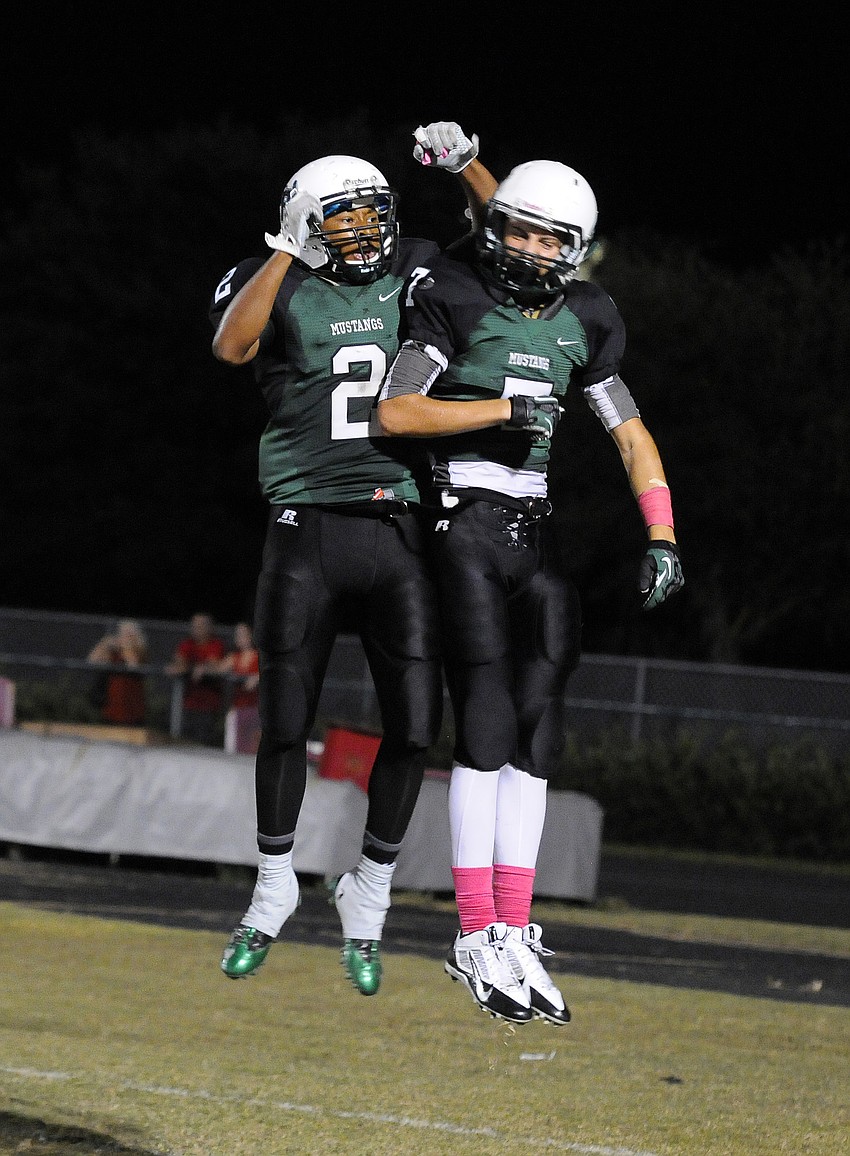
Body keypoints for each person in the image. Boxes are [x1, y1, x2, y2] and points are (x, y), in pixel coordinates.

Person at [377, 158, 685, 1024]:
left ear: (577, 250)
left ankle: (514, 926)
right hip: (460, 519)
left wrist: (660, 530)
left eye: (548, 236)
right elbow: (395, 412)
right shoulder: (455, 291)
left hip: (530, 532)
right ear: (493, 223)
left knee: (539, 729)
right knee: (482, 720)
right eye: (515, 227)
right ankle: (474, 930)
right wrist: (500, 412)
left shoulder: (589, 318)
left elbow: (630, 434)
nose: (527, 246)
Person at [209, 122, 498, 995]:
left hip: (400, 526)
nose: (364, 230)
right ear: (305, 221)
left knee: (416, 725)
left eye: (373, 212)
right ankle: (270, 887)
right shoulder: (275, 277)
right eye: (342, 218)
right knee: (286, 717)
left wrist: (467, 165)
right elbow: (231, 346)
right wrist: (286, 254)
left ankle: (367, 888)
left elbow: (498, 240)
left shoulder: (412, 265)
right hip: (305, 526)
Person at [165, 612, 226, 745]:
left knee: (203, 742)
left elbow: (214, 664)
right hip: (188, 702)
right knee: (183, 741)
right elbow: (179, 663)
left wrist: (202, 668)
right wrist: (193, 667)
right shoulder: (188, 644)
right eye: (195, 625)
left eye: (201, 625)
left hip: (208, 705)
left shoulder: (215, 644)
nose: (196, 628)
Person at [86, 619, 148, 726]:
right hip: (112, 702)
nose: (122, 636)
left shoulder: (140, 649)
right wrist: (104, 644)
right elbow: (92, 660)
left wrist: (125, 646)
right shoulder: (114, 651)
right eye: (121, 633)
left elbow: (133, 664)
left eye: (127, 634)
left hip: (131, 703)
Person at [218, 621, 260, 710]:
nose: (240, 638)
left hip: (256, 707)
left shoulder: (260, 657)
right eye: (237, 635)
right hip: (238, 705)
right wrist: (204, 667)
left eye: (243, 634)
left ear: (251, 635)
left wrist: (257, 677)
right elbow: (218, 669)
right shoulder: (233, 657)